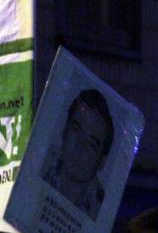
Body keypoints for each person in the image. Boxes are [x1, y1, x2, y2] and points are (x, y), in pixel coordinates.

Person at [41, 88, 114, 220]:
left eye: (92, 143)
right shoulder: (38, 167)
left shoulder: (100, 212)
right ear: (64, 132)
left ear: (101, 162)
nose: (81, 144)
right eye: (76, 129)